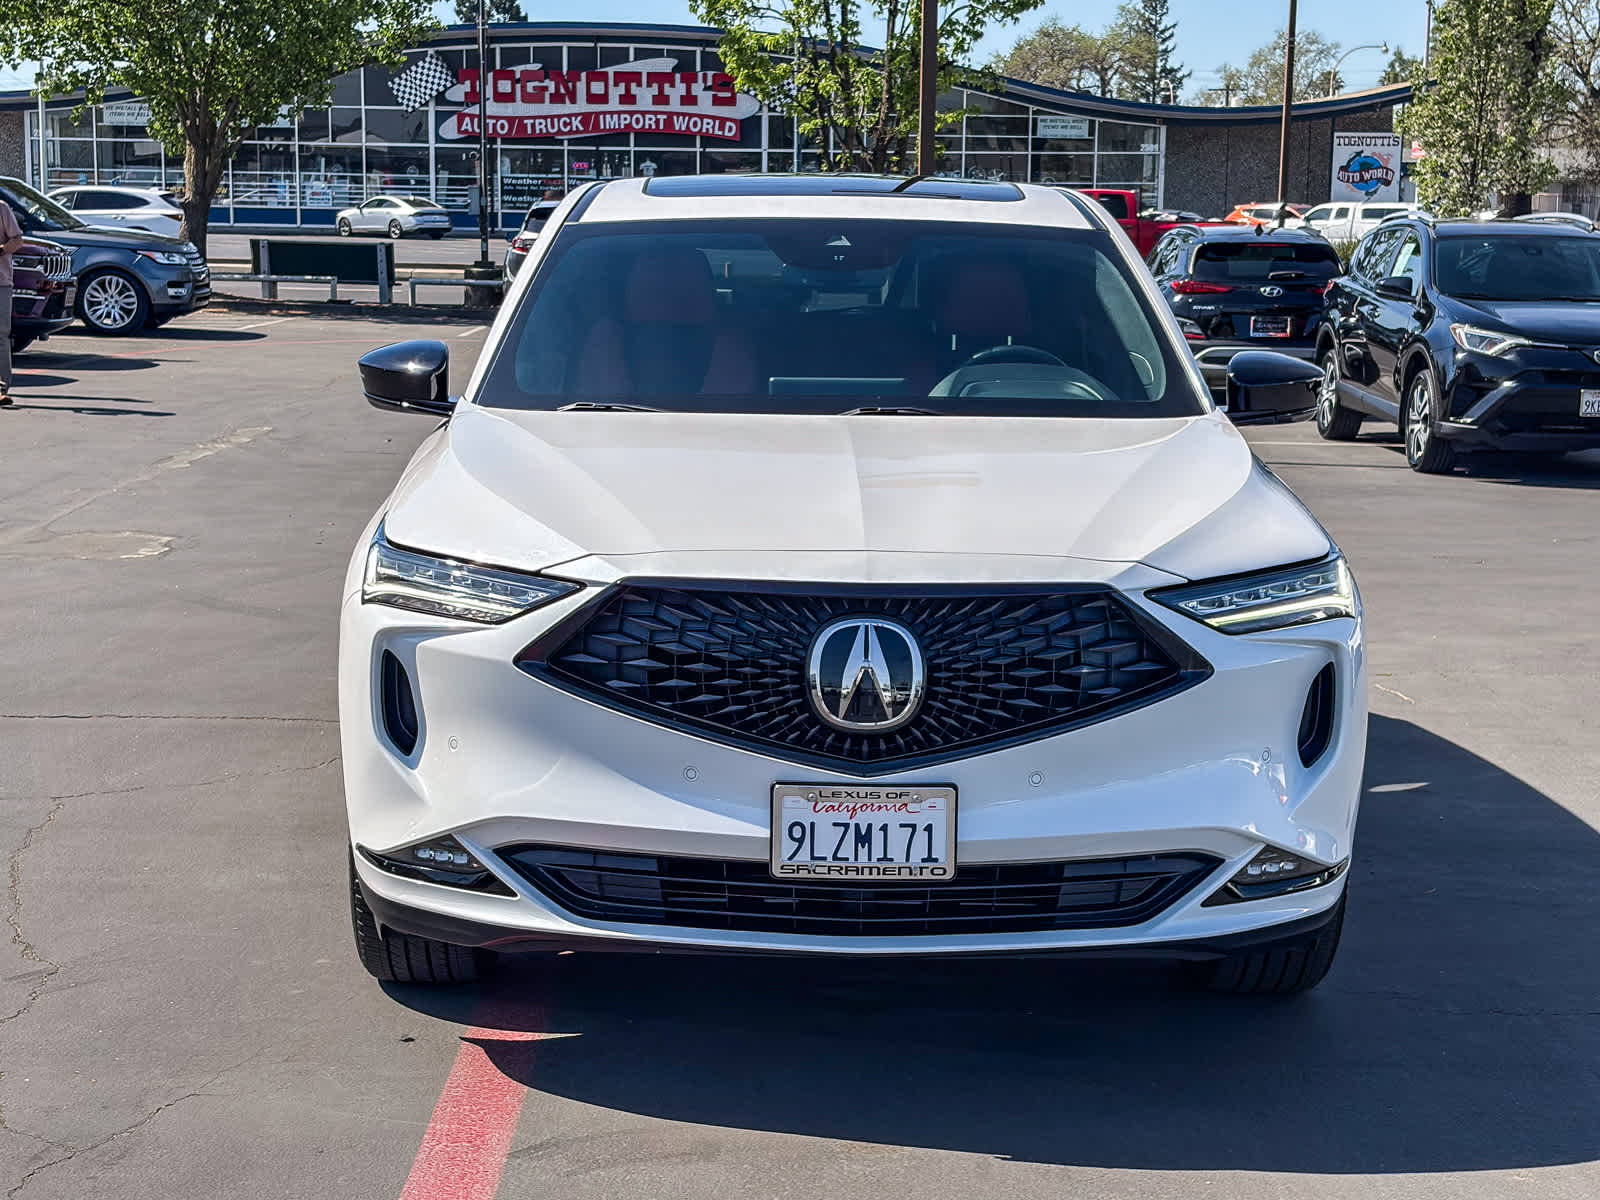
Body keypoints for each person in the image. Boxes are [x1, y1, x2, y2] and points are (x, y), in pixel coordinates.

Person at [0, 198, 23, 406]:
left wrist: (2, 249)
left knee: (0, 335)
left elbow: (17, 240)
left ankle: (1, 386)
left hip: (0, 283)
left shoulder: (2, 208)